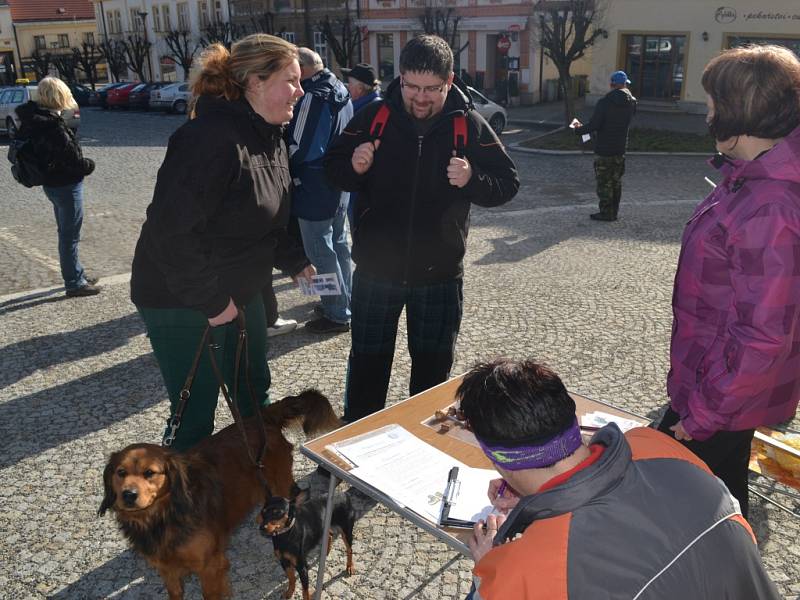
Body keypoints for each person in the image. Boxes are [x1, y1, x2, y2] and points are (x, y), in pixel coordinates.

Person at [457, 358, 780, 600]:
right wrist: (534, 501)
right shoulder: (658, 445)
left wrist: (488, 568)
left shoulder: (521, 569)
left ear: (495, 456)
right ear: (574, 419)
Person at [130, 35, 314, 451]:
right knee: (195, 410)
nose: (300, 91)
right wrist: (212, 302)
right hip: (179, 296)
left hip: (238, 286)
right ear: (255, 82)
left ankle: (255, 471)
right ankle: (184, 503)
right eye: (291, 80)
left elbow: (268, 215)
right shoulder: (207, 139)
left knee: (253, 389)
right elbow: (171, 234)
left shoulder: (271, 134)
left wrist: (295, 259)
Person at [324, 35, 519, 423]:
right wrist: (355, 167)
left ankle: (425, 443)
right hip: (376, 273)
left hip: (439, 276)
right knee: (366, 362)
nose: (421, 97)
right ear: (401, 78)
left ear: (449, 80)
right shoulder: (373, 117)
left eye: (432, 88)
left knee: (432, 371)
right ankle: (358, 439)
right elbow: (332, 169)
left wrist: (472, 179)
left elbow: (508, 183)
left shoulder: (468, 123)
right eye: (412, 86)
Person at [659, 45, 800, 519]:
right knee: (722, 507)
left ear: (740, 111)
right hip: (713, 388)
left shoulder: (770, 206)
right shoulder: (749, 177)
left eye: (714, 103)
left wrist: (700, 416)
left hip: (718, 400)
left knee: (672, 511)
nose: (707, 113)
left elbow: (763, 336)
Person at [287, 48, 354, 334]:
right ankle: (343, 303)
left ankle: (336, 312)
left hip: (314, 184)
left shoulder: (313, 95)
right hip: (338, 181)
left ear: (301, 69)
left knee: (319, 251)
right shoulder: (339, 87)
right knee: (338, 245)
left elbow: (301, 148)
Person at [16, 77, 99, 297]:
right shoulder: (52, 126)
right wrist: (90, 164)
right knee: (69, 235)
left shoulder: (33, 121)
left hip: (52, 185)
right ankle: (74, 282)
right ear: (58, 96)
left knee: (66, 232)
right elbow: (73, 161)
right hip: (66, 186)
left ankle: (76, 273)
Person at [570, 70, 637, 222]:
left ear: (611, 84)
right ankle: (614, 212)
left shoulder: (604, 102)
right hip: (620, 149)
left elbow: (594, 125)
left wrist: (578, 129)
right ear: (625, 84)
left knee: (604, 182)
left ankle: (606, 213)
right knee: (616, 181)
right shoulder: (632, 103)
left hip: (604, 149)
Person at [341, 62, 382, 227]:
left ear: (359, 89)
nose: (347, 88)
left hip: (363, 187)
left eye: (349, 84)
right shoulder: (364, 107)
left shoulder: (368, 112)